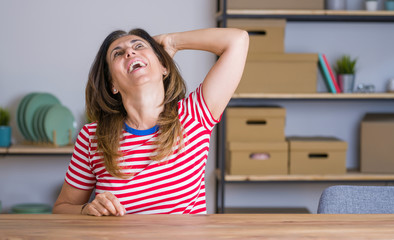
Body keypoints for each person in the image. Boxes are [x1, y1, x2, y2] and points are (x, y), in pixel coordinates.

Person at [52, 27, 249, 216]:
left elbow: (238, 40)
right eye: (117, 54)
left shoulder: (195, 115)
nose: (129, 52)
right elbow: (61, 208)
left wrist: (172, 42)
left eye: (138, 46)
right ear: (113, 84)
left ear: (164, 67)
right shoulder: (92, 138)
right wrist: (86, 209)